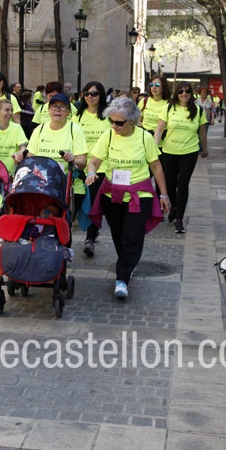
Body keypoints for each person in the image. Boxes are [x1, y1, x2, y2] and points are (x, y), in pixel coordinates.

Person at [85, 98, 171, 299]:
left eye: (119, 122)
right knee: (118, 234)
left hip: (138, 195)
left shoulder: (144, 138)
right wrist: (91, 173)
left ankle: (122, 278)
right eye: (111, 121)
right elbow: (94, 161)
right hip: (112, 194)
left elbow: (156, 166)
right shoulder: (107, 136)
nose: (114, 126)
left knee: (132, 235)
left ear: (131, 121)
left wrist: (163, 194)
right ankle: (127, 264)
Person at [154, 81, 208, 234]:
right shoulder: (168, 108)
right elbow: (159, 129)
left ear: (191, 93)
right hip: (169, 151)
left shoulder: (198, 110)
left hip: (189, 152)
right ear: (176, 93)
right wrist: (154, 147)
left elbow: (202, 132)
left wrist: (205, 149)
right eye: (181, 91)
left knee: (183, 184)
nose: (184, 94)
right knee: (170, 184)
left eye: (187, 91)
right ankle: (175, 206)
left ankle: (179, 219)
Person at [74, 81, 111, 257]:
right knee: (79, 203)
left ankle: (89, 238)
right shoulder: (77, 117)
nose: (90, 97)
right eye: (87, 93)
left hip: (101, 168)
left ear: (101, 95)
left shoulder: (108, 117)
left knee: (95, 204)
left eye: (94, 94)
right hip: (80, 166)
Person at [17, 93, 86, 177]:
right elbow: (31, 156)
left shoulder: (75, 129)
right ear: (48, 110)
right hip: (42, 180)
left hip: (67, 179)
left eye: (62, 106)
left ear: (69, 111)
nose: (58, 110)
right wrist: (21, 156)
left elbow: (82, 163)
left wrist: (73, 160)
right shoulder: (39, 129)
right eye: (54, 106)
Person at [139, 74, 170, 145]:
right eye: (151, 85)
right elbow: (137, 120)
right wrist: (145, 129)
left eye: (157, 85)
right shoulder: (144, 101)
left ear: (163, 88)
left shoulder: (169, 104)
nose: (154, 87)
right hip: (145, 141)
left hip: (163, 144)